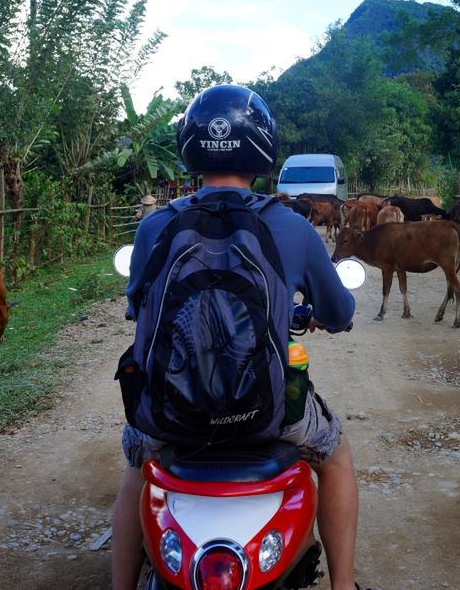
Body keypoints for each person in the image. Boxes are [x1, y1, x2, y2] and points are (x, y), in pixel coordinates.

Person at [110, 84, 363, 590]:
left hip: (170, 417)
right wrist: (317, 314)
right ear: (262, 151)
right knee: (335, 459)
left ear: (190, 149)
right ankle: (343, 587)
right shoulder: (291, 227)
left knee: (138, 467)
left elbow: (138, 307)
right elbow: (339, 311)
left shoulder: (155, 225)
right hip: (265, 417)